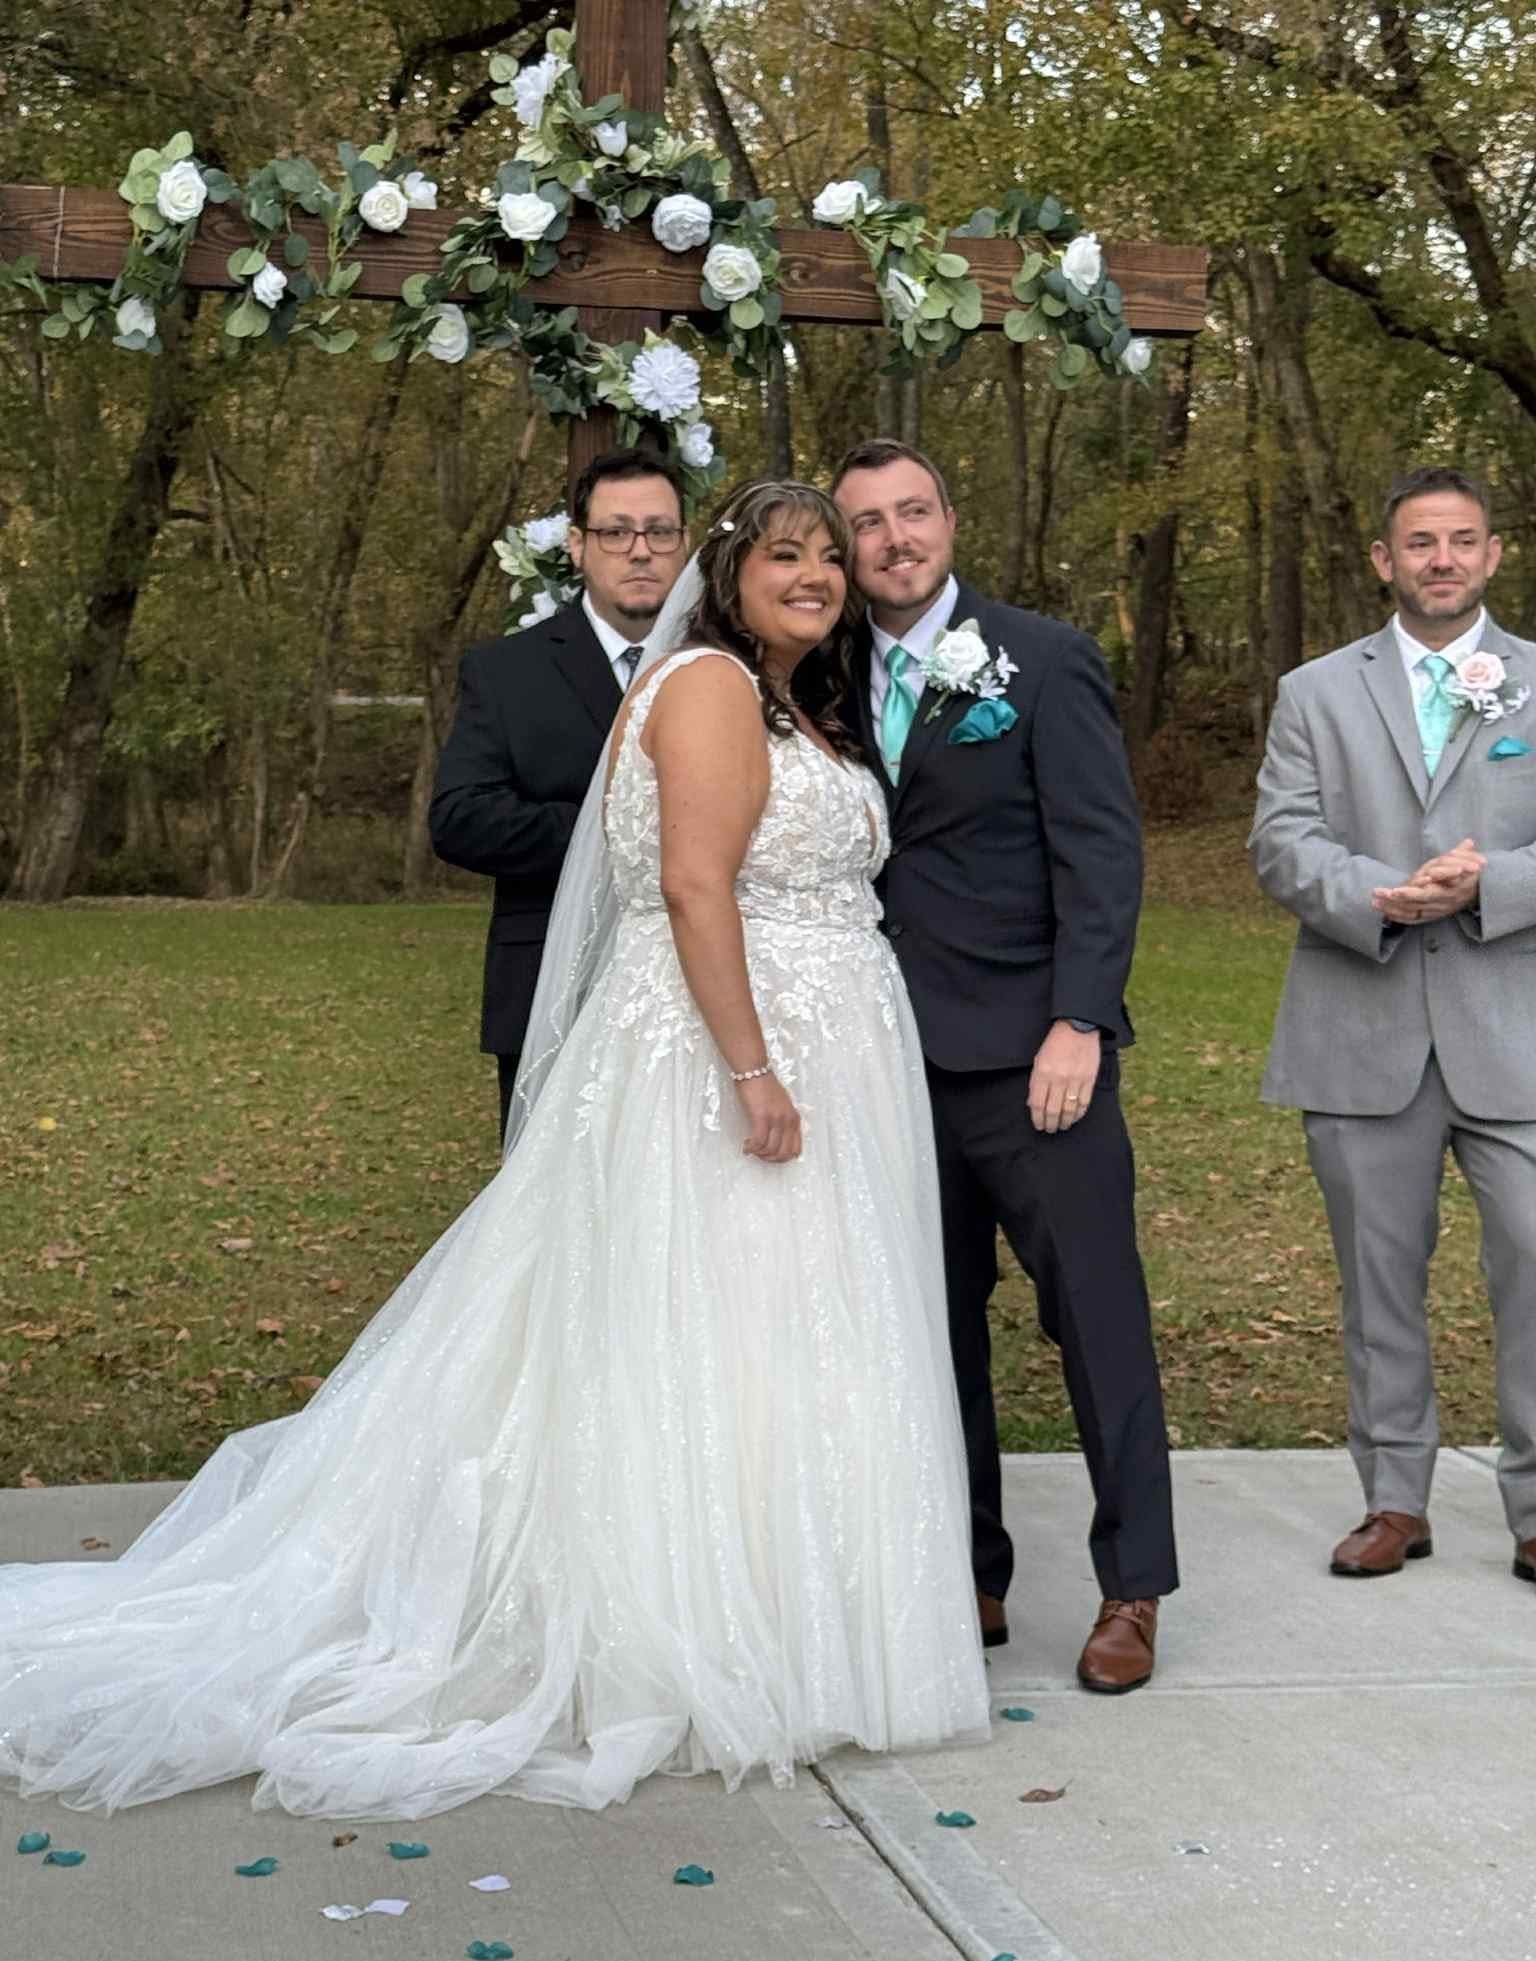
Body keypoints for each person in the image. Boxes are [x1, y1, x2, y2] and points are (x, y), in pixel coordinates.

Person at [0, 480, 990, 1821]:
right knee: (715, 1331)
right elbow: (698, 886)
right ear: (731, 570)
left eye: (831, 555)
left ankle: (784, 1610)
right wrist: (753, 1069)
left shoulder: (781, 696)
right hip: (724, 1066)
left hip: (806, 1053)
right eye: (787, 555)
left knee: (771, 1335)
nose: (817, 573)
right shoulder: (706, 688)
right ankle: (699, 1628)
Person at [830, 439, 1177, 1695]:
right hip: (882, 1060)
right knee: (932, 1330)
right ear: (848, 546)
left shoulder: (1046, 659)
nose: (894, 538)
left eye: (912, 512)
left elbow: (1103, 854)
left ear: (951, 519)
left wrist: (1080, 1021)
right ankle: (971, 1569)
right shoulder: (816, 676)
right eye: (867, 522)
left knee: (1096, 1317)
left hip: (1038, 1060)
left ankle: (1133, 1582)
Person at [1250, 465, 1536, 1587]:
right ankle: (1394, 1497)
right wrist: (1378, 890)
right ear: (1384, 559)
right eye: (1420, 543)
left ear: (1494, 553)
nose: (1442, 560)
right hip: (1361, 1021)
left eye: (1462, 540)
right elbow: (1281, 837)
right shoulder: (1314, 690)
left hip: (1514, 1029)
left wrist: (1492, 886)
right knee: (1378, 1276)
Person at [430, 449, 690, 1140]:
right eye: (616, 532)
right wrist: (617, 834)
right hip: (551, 991)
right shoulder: (506, 672)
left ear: (684, 545)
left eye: (660, 532)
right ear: (577, 546)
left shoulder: (726, 668)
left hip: (696, 996)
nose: (640, 552)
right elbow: (459, 818)